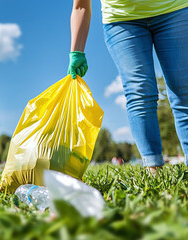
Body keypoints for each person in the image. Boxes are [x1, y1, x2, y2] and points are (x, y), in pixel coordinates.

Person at [68, 0, 188, 172]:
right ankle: (153, 170)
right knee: (139, 90)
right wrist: (76, 51)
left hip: (174, 9)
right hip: (121, 20)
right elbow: (80, 6)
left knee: (184, 90)